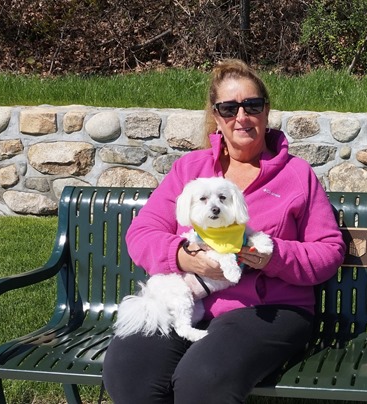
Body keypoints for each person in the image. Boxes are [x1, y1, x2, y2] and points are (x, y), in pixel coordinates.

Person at [102, 59, 346, 404]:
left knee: (204, 379)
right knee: (129, 372)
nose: (242, 116)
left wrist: (273, 257)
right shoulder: (189, 169)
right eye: (229, 108)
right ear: (216, 117)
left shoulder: (297, 175)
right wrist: (183, 257)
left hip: (267, 309)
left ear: (266, 111)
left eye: (252, 106)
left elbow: (329, 251)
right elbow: (142, 234)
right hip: (185, 301)